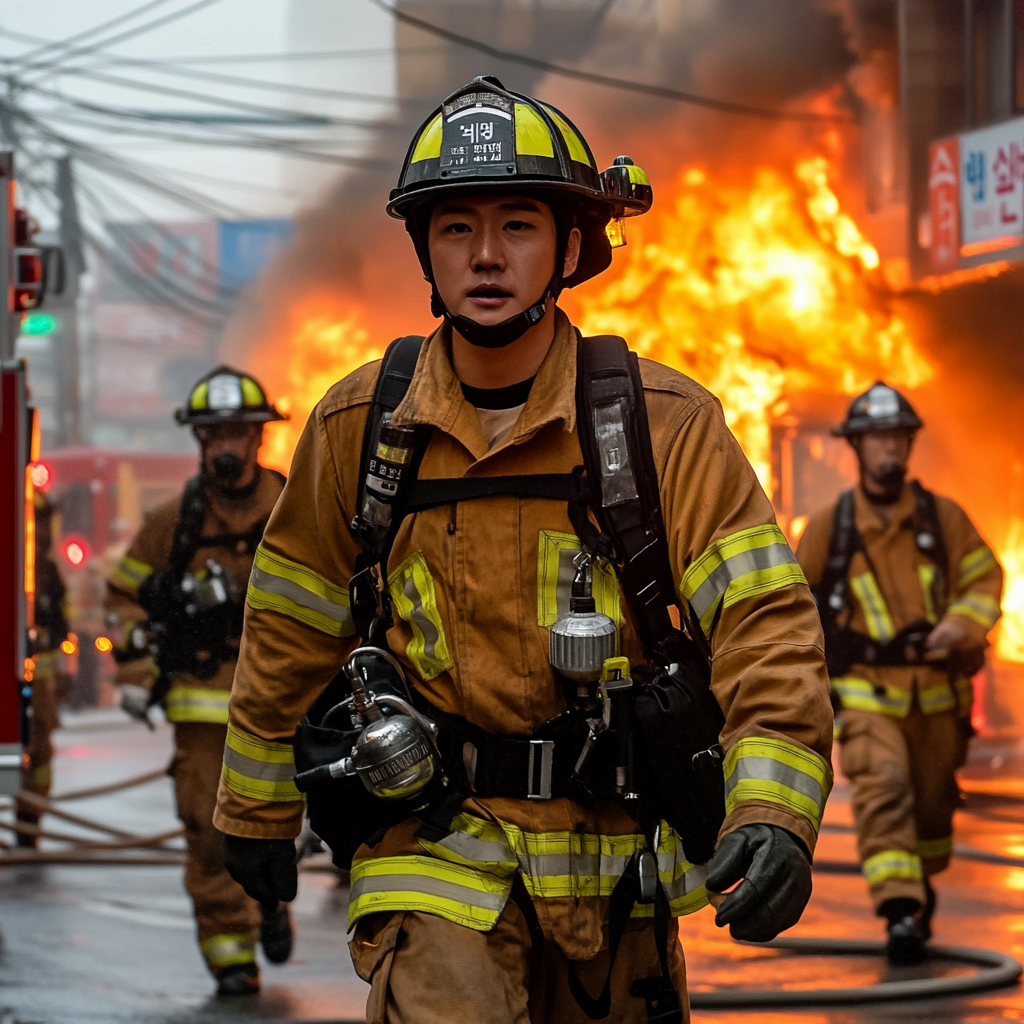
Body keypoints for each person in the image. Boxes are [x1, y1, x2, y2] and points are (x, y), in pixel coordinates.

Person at [214, 76, 834, 1023]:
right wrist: (254, 808)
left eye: (518, 225)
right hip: (434, 849)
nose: (486, 254)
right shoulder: (358, 428)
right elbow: (288, 630)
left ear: (570, 247)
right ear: (425, 251)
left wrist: (773, 810)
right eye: (456, 228)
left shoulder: (661, 425)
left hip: (616, 864)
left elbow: (766, 625)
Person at [797, 381, 1003, 964]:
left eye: (897, 437)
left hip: (939, 699)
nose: (888, 447)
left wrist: (960, 627)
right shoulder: (830, 528)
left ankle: (919, 884)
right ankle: (900, 911)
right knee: (883, 788)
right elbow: (796, 606)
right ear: (857, 447)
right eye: (877, 437)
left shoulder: (944, 519)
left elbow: (984, 579)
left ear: (909, 445)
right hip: (867, 697)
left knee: (932, 812)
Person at [105, 366, 291, 997]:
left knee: (279, 822)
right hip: (203, 706)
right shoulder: (172, 522)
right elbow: (122, 596)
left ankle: (270, 900)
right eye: (212, 434)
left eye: (236, 431)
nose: (224, 445)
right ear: (199, 441)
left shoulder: (295, 507)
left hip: (285, 702)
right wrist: (135, 670)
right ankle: (230, 955)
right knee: (211, 833)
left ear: (259, 437)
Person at [15, 493, 70, 848]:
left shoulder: (48, 573)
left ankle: (29, 821)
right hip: (21, 681)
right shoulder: (16, 567)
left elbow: (62, 627)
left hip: (41, 684)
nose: (44, 533)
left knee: (40, 751)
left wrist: (63, 669)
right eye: (39, 523)